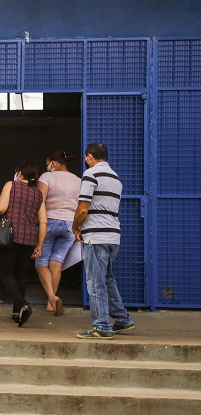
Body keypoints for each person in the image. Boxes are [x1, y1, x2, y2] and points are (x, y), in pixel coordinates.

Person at [72, 143, 135, 340]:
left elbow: (83, 208)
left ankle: (101, 326)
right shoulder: (115, 178)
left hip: (96, 237)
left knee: (95, 282)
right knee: (107, 280)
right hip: (113, 236)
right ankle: (123, 320)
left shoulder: (90, 175)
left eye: (86, 158)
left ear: (89, 157)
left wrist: (75, 227)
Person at [0, 161, 47, 327]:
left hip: (11, 236)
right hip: (29, 239)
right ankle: (17, 312)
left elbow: (1, 208)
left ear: (20, 173)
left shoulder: (11, 185)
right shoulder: (38, 194)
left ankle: (22, 304)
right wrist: (39, 245)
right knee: (20, 275)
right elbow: (43, 222)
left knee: (6, 273)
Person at [35, 150, 81, 316]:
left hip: (49, 222)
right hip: (70, 225)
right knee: (57, 263)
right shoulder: (78, 180)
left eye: (48, 162)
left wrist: (38, 222)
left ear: (53, 163)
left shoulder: (47, 177)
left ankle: (51, 296)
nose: (47, 166)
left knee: (41, 262)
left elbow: (39, 202)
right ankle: (50, 304)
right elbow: (82, 206)